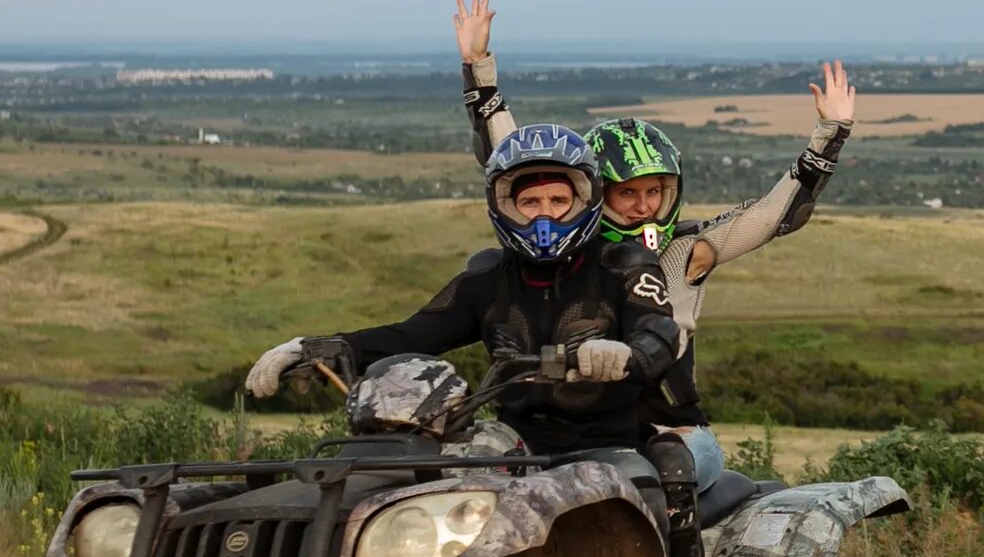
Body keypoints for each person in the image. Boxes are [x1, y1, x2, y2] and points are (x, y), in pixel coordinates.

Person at [450, 0, 858, 557]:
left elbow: (772, 214)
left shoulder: (687, 253)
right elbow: (515, 162)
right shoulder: (561, 257)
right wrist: (480, 74)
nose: (643, 205)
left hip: (669, 431)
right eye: (626, 193)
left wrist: (827, 137)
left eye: (654, 191)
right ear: (593, 192)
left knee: (655, 470)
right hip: (562, 428)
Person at [241, 121, 680, 459]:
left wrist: (626, 353)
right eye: (529, 202)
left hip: (612, 447)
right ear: (504, 205)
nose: (543, 216)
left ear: (583, 201)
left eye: (558, 201)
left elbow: (659, 331)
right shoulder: (487, 280)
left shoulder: (623, 264)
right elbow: (409, 337)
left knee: (667, 481)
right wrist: (310, 348)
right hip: (515, 445)